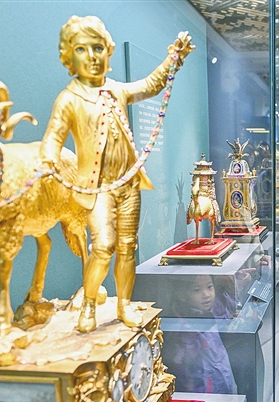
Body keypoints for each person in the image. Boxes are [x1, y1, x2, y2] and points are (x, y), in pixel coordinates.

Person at [40, 16, 194, 332]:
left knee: (127, 247)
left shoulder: (115, 90)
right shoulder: (69, 99)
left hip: (129, 184)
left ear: (107, 51)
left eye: (98, 48)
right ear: (69, 56)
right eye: (81, 49)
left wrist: (173, 59)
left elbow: (150, 85)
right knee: (103, 246)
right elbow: (53, 139)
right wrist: (48, 161)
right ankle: (88, 305)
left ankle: (124, 304)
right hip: (97, 189)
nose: (92, 56)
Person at [163, 274, 237, 394]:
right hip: (201, 389)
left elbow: (226, 313)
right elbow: (183, 368)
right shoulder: (182, 327)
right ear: (182, 295)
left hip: (221, 377)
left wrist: (230, 286)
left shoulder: (210, 311)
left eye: (209, 287)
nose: (206, 294)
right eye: (197, 290)